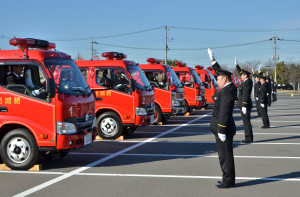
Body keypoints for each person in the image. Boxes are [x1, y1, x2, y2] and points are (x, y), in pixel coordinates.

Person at [207, 48, 237, 189]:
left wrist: (221, 130)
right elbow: (220, 72)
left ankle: (228, 181)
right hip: (222, 128)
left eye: (218, 79)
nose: (216, 81)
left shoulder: (227, 91)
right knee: (224, 156)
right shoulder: (227, 87)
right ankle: (227, 178)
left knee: (225, 157)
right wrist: (213, 61)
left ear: (224, 80)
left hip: (223, 129)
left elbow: (224, 112)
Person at [235, 58, 253, 143]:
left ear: (245, 75)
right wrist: (237, 66)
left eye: (242, 75)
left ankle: (248, 138)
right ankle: (248, 137)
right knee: (245, 122)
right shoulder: (246, 81)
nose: (241, 76)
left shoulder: (247, 82)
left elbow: (246, 94)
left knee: (246, 122)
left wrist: (244, 105)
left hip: (244, 105)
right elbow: (240, 72)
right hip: (243, 104)